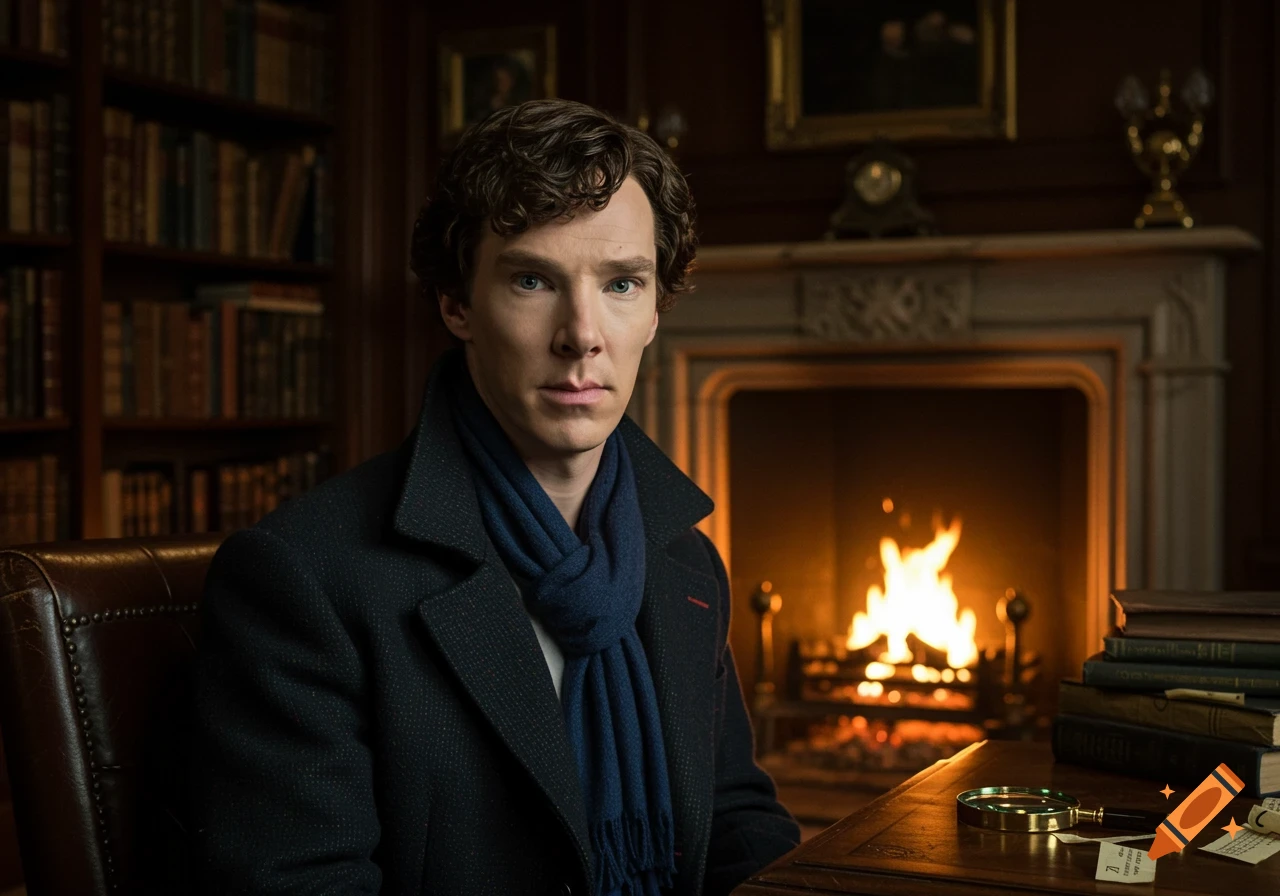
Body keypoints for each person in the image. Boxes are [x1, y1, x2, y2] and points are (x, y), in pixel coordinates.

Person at [192, 99, 800, 896]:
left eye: (621, 283)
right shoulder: (304, 578)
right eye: (532, 279)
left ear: (655, 313)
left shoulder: (682, 557)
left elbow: (733, 819)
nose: (582, 333)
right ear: (456, 304)